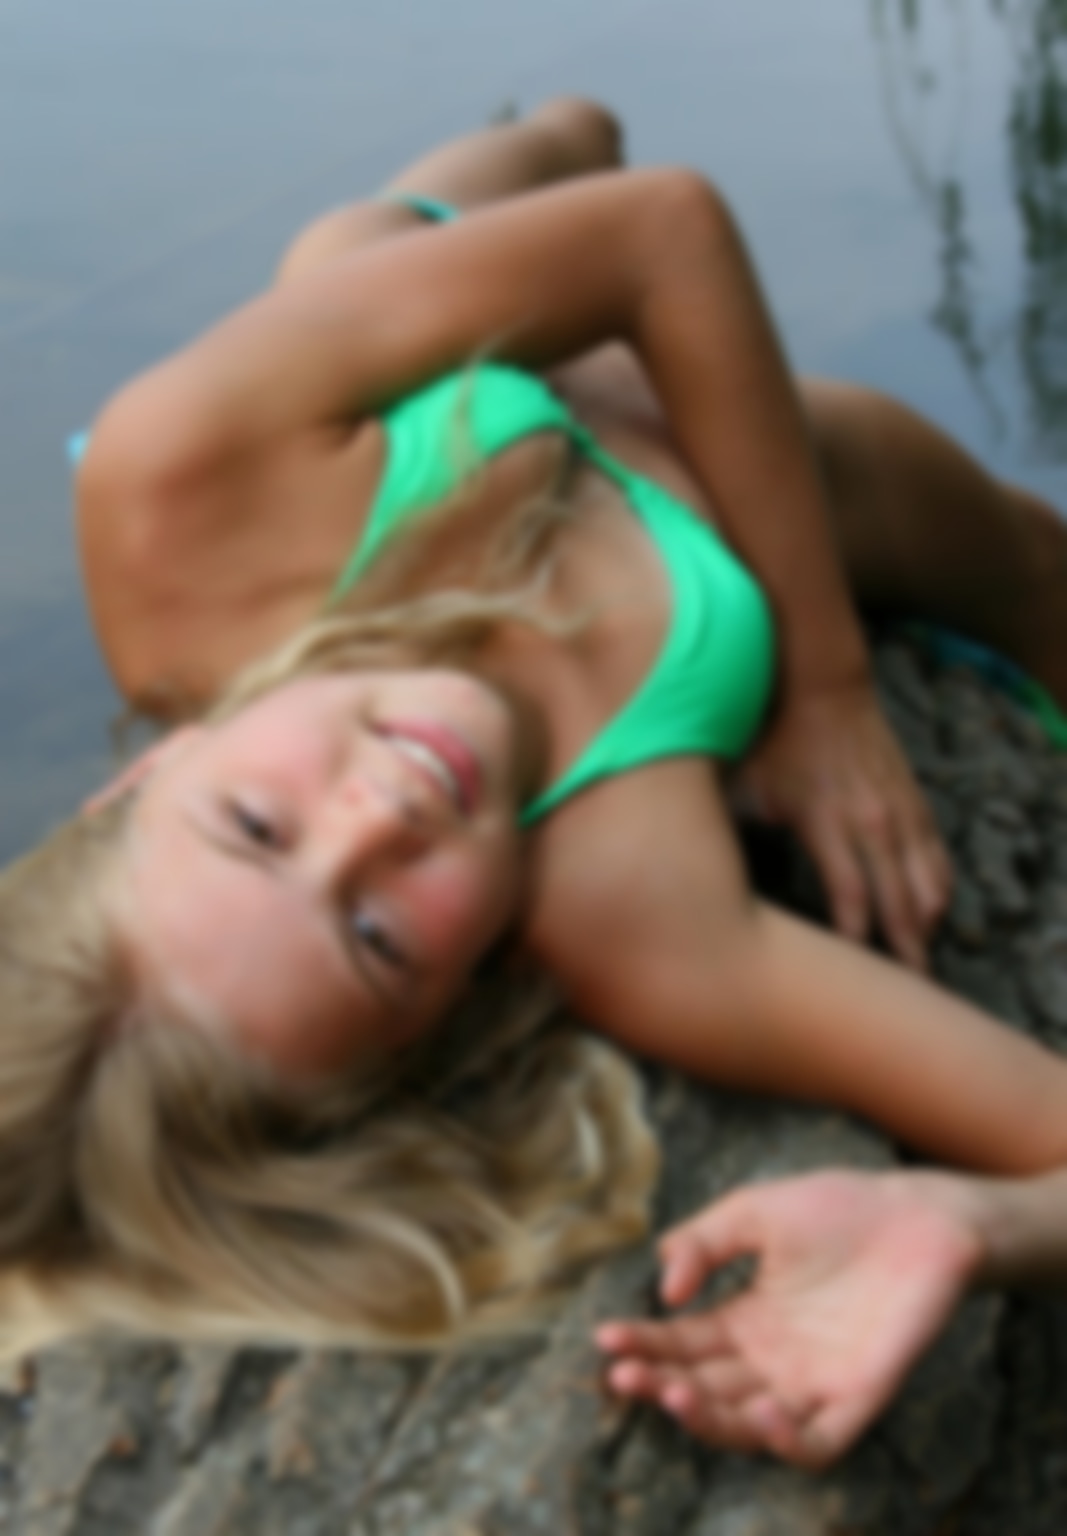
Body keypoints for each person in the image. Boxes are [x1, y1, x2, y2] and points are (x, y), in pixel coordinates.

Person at [6, 98, 1067, 1460]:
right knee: (1043, 569)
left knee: (473, 193)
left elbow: (663, 231)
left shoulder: (175, 497)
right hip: (907, 519)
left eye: (255, 825)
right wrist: (967, 1220)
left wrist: (824, 685)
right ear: (442, 1014)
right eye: (377, 937)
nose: (380, 815)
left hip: (422, 300)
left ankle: (551, 134)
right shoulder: (646, 921)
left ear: (146, 773)